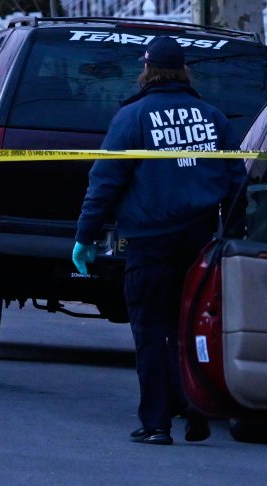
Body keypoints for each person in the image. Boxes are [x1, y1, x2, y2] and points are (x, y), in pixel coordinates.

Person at [73, 35, 245, 446]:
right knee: (187, 329)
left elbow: (105, 182)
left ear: (147, 69)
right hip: (200, 242)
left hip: (150, 243)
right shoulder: (213, 117)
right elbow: (237, 183)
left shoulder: (132, 118)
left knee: (150, 330)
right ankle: (194, 408)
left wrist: (86, 236)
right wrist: (234, 236)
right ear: (184, 70)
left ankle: (156, 423)